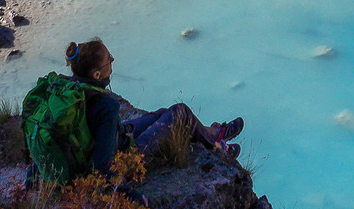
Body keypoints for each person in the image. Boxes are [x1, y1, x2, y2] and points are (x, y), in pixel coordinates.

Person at [63, 37, 243, 176]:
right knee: (180, 112)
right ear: (96, 74)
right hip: (127, 157)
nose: (112, 60)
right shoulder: (104, 105)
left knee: (163, 113)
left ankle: (212, 133)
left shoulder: (71, 89)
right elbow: (102, 163)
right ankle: (217, 149)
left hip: (118, 138)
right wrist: (129, 192)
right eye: (108, 60)